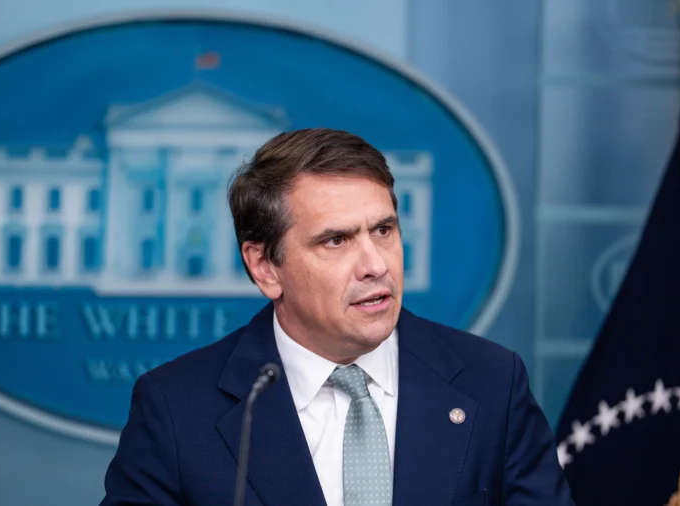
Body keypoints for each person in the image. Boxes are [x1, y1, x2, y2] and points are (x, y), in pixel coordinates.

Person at [100, 128, 574, 506]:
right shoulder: (177, 408)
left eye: (383, 230)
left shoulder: (492, 383)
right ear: (265, 267)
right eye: (336, 241)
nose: (375, 264)